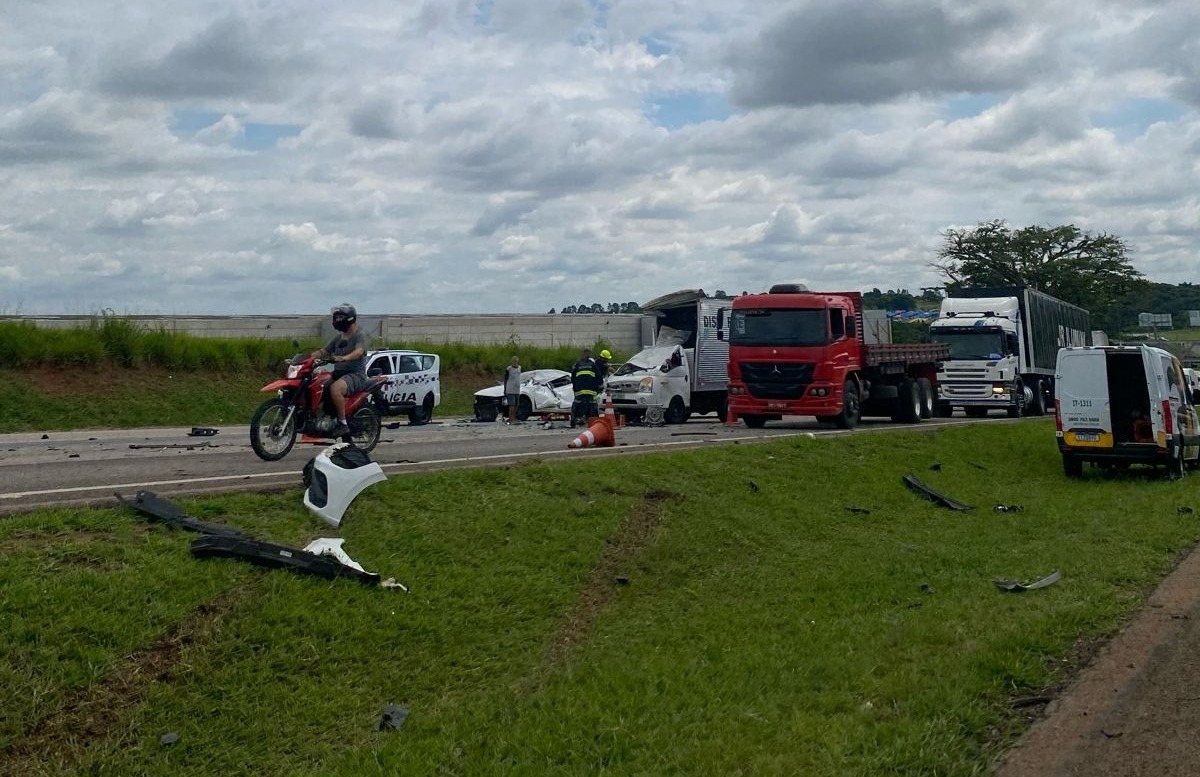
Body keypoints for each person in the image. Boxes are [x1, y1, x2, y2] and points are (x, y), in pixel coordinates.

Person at [310, 303, 370, 438]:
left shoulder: (360, 335)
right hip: (338, 374)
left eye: (340, 317)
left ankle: (343, 423)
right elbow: (325, 351)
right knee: (316, 386)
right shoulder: (339, 337)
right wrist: (310, 357)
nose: (337, 321)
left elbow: (359, 352)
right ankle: (321, 418)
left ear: (349, 318)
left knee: (335, 389)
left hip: (355, 375)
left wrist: (344, 358)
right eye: (336, 318)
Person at [570, 347, 601, 427]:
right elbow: (599, 376)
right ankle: (594, 421)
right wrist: (599, 386)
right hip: (590, 390)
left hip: (579, 390)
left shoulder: (577, 364)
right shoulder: (592, 364)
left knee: (577, 404)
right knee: (592, 404)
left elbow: (572, 376)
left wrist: (574, 386)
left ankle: (574, 419)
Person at [503, 355, 522, 423]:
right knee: (512, 405)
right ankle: (511, 418)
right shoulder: (509, 369)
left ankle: (514, 417)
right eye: (514, 361)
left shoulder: (519, 368)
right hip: (510, 389)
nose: (515, 362)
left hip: (517, 389)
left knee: (517, 405)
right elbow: (505, 379)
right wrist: (505, 389)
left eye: (516, 361)